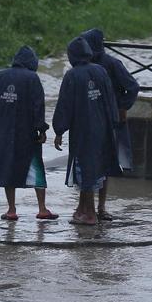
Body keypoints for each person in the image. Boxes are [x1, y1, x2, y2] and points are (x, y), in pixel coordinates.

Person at [0, 46, 58, 221]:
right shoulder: (33, 78)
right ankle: (42, 208)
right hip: (27, 133)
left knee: (8, 168)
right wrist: (42, 129)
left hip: (2, 133)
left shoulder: (0, 76)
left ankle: (11, 210)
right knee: (36, 168)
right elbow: (38, 106)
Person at [52, 36, 121, 226]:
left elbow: (65, 105)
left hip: (83, 131)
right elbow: (110, 99)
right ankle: (82, 209)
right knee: (97, 167)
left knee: (85, 169)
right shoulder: (100, 71)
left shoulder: (72, 76)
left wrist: (59, 130)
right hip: (103, 128)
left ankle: (90, 214)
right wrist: (114, 122)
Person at [82, 28, 140, 221]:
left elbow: (132, 87)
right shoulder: (84, 65)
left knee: (105, 163)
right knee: (91, 164)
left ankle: (100, 207)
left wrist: (122, 107)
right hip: (91, 120)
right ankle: (89, 206)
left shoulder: (113, 64)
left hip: (110, 122)